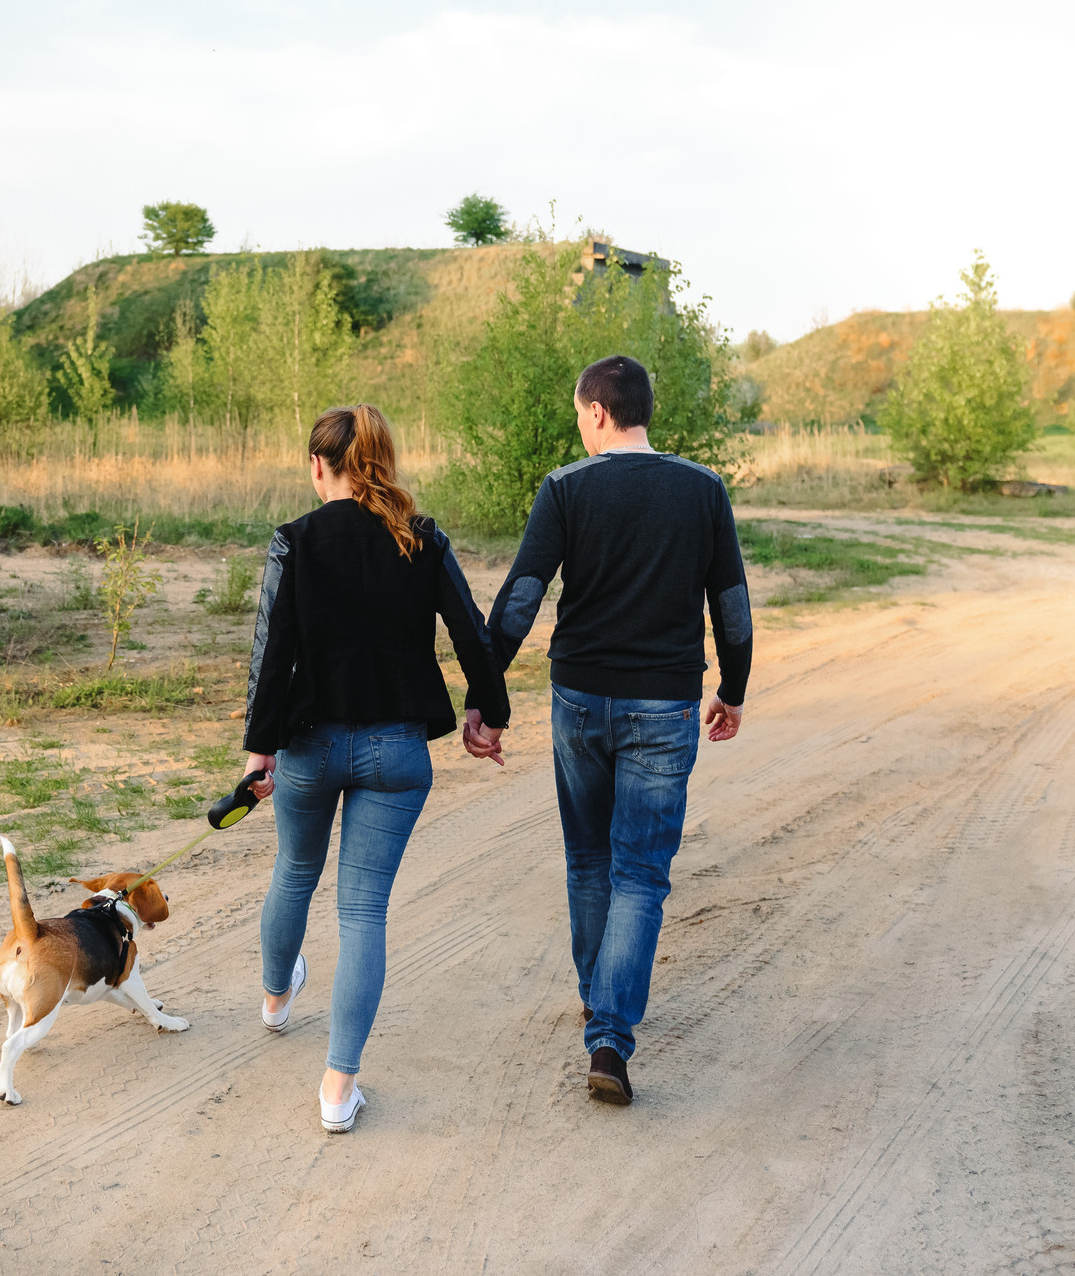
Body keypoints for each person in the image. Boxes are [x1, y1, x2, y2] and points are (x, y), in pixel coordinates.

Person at [479, 354, 754, 1108]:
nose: (579, 425)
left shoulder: (567, 488)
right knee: (641, 871)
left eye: (578, 414)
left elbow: (521, 596)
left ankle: (598, 1000)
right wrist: (732, 685)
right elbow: (730, 602)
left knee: (589, 859)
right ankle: (609, 1035)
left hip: (579, 697)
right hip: (665, 703)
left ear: (598, 412)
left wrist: (485, 688)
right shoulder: (702, 489)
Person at [240, 403, 510, 1132]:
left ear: (318, 466)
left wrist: (259, 746)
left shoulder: (294, 540)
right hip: (396, 749)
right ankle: (337, 1090)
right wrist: (489, 712)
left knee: (295, 869)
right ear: (383, 463)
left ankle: (274, 998)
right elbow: (471, 632)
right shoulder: (421, 537)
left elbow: (273, 651)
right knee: (362, 910)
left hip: (309, 743)